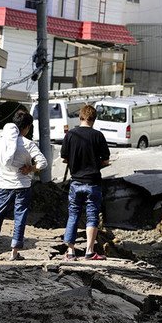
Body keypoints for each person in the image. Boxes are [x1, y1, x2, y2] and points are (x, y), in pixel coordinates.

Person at [0, 111, 47, 261]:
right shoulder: (28, 144)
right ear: (27, 127)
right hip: (22, 185)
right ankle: (14, 252)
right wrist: (31, 168)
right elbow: (43, 163)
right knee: (20, 217)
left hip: (4, 185)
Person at [61, 105, 110, 261]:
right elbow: (106, 160)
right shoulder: (98, 136)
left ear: (80, 117)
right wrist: (97, 164)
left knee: (73, 214)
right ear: (94, 120)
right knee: (92, 216)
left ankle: (70, 252)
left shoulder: (70, 135)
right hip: (93, 182)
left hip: (75, 182)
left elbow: (64, 158)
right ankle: (89, 251)